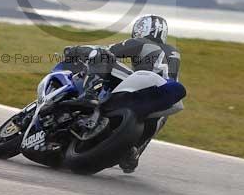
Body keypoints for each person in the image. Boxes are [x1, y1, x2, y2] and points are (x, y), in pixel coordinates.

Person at [63, 14, 181, 173]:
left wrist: (76, 50)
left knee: (101, 57)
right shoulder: (174, 52)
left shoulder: (141, 42)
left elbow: (107, 51)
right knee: (158, 119)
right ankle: (135, 151)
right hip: (164, 101)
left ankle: (89, 95)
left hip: (142, 87)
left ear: (141, 29)